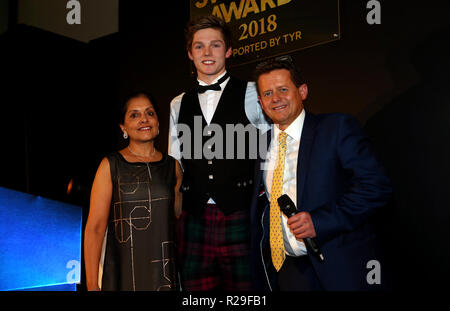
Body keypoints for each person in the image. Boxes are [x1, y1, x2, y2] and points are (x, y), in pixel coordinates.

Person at [250, 56, 392, 291]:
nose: (275, 99)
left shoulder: (336, 128)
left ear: (302, 91)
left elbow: (376, 187)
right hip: (289, 271)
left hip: (341, 266)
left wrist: (321, 221)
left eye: (283, 89)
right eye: (267, 93)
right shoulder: (262, 145)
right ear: (260, 102)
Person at [168, 15, 269, 291]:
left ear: (228, 50)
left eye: (215, 45)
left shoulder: (253, 94)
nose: (207, 53)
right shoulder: (178, 103)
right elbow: (177, 165)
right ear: (190, 53)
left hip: (239, 213)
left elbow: (268, 155)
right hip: (194, 217)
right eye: (199, 46)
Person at [84, 92, 183, 291]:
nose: (144, 119)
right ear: (123, 127)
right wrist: (92, 285)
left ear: (158, 122)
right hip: (122, 273)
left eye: (150, 113)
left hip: (164, 274)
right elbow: (94, 229)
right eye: (134, 115)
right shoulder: (110, 165)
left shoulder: (173, 167)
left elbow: (177, 218)